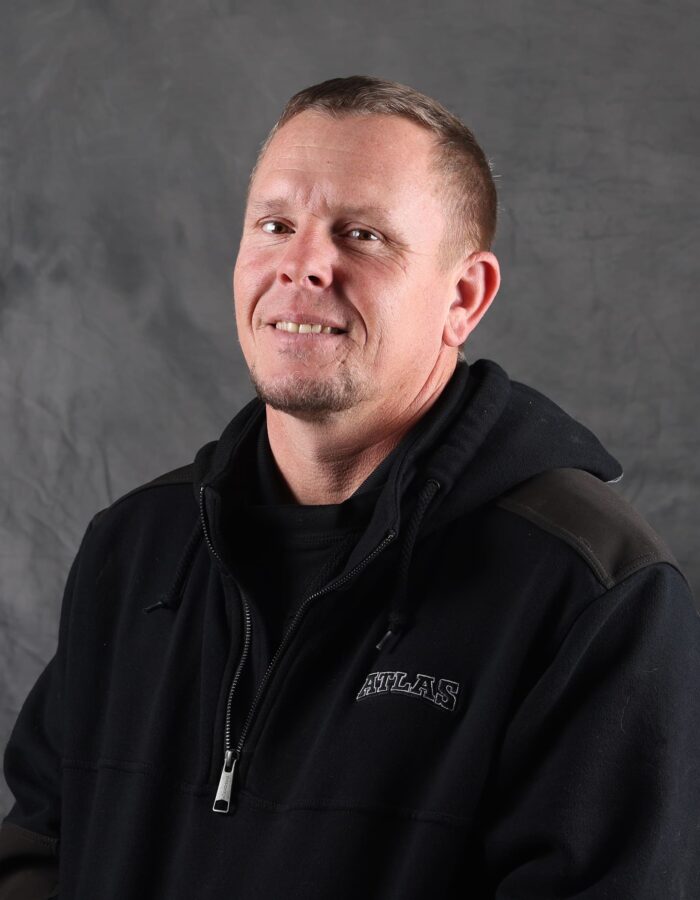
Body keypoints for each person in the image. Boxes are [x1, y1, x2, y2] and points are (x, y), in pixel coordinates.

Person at [1, 74, 698, 899]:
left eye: (362, 235)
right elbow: (36, 852)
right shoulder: (136, 551)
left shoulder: (589, 592)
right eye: (275, 225)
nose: (302, 266)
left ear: (464, 297)